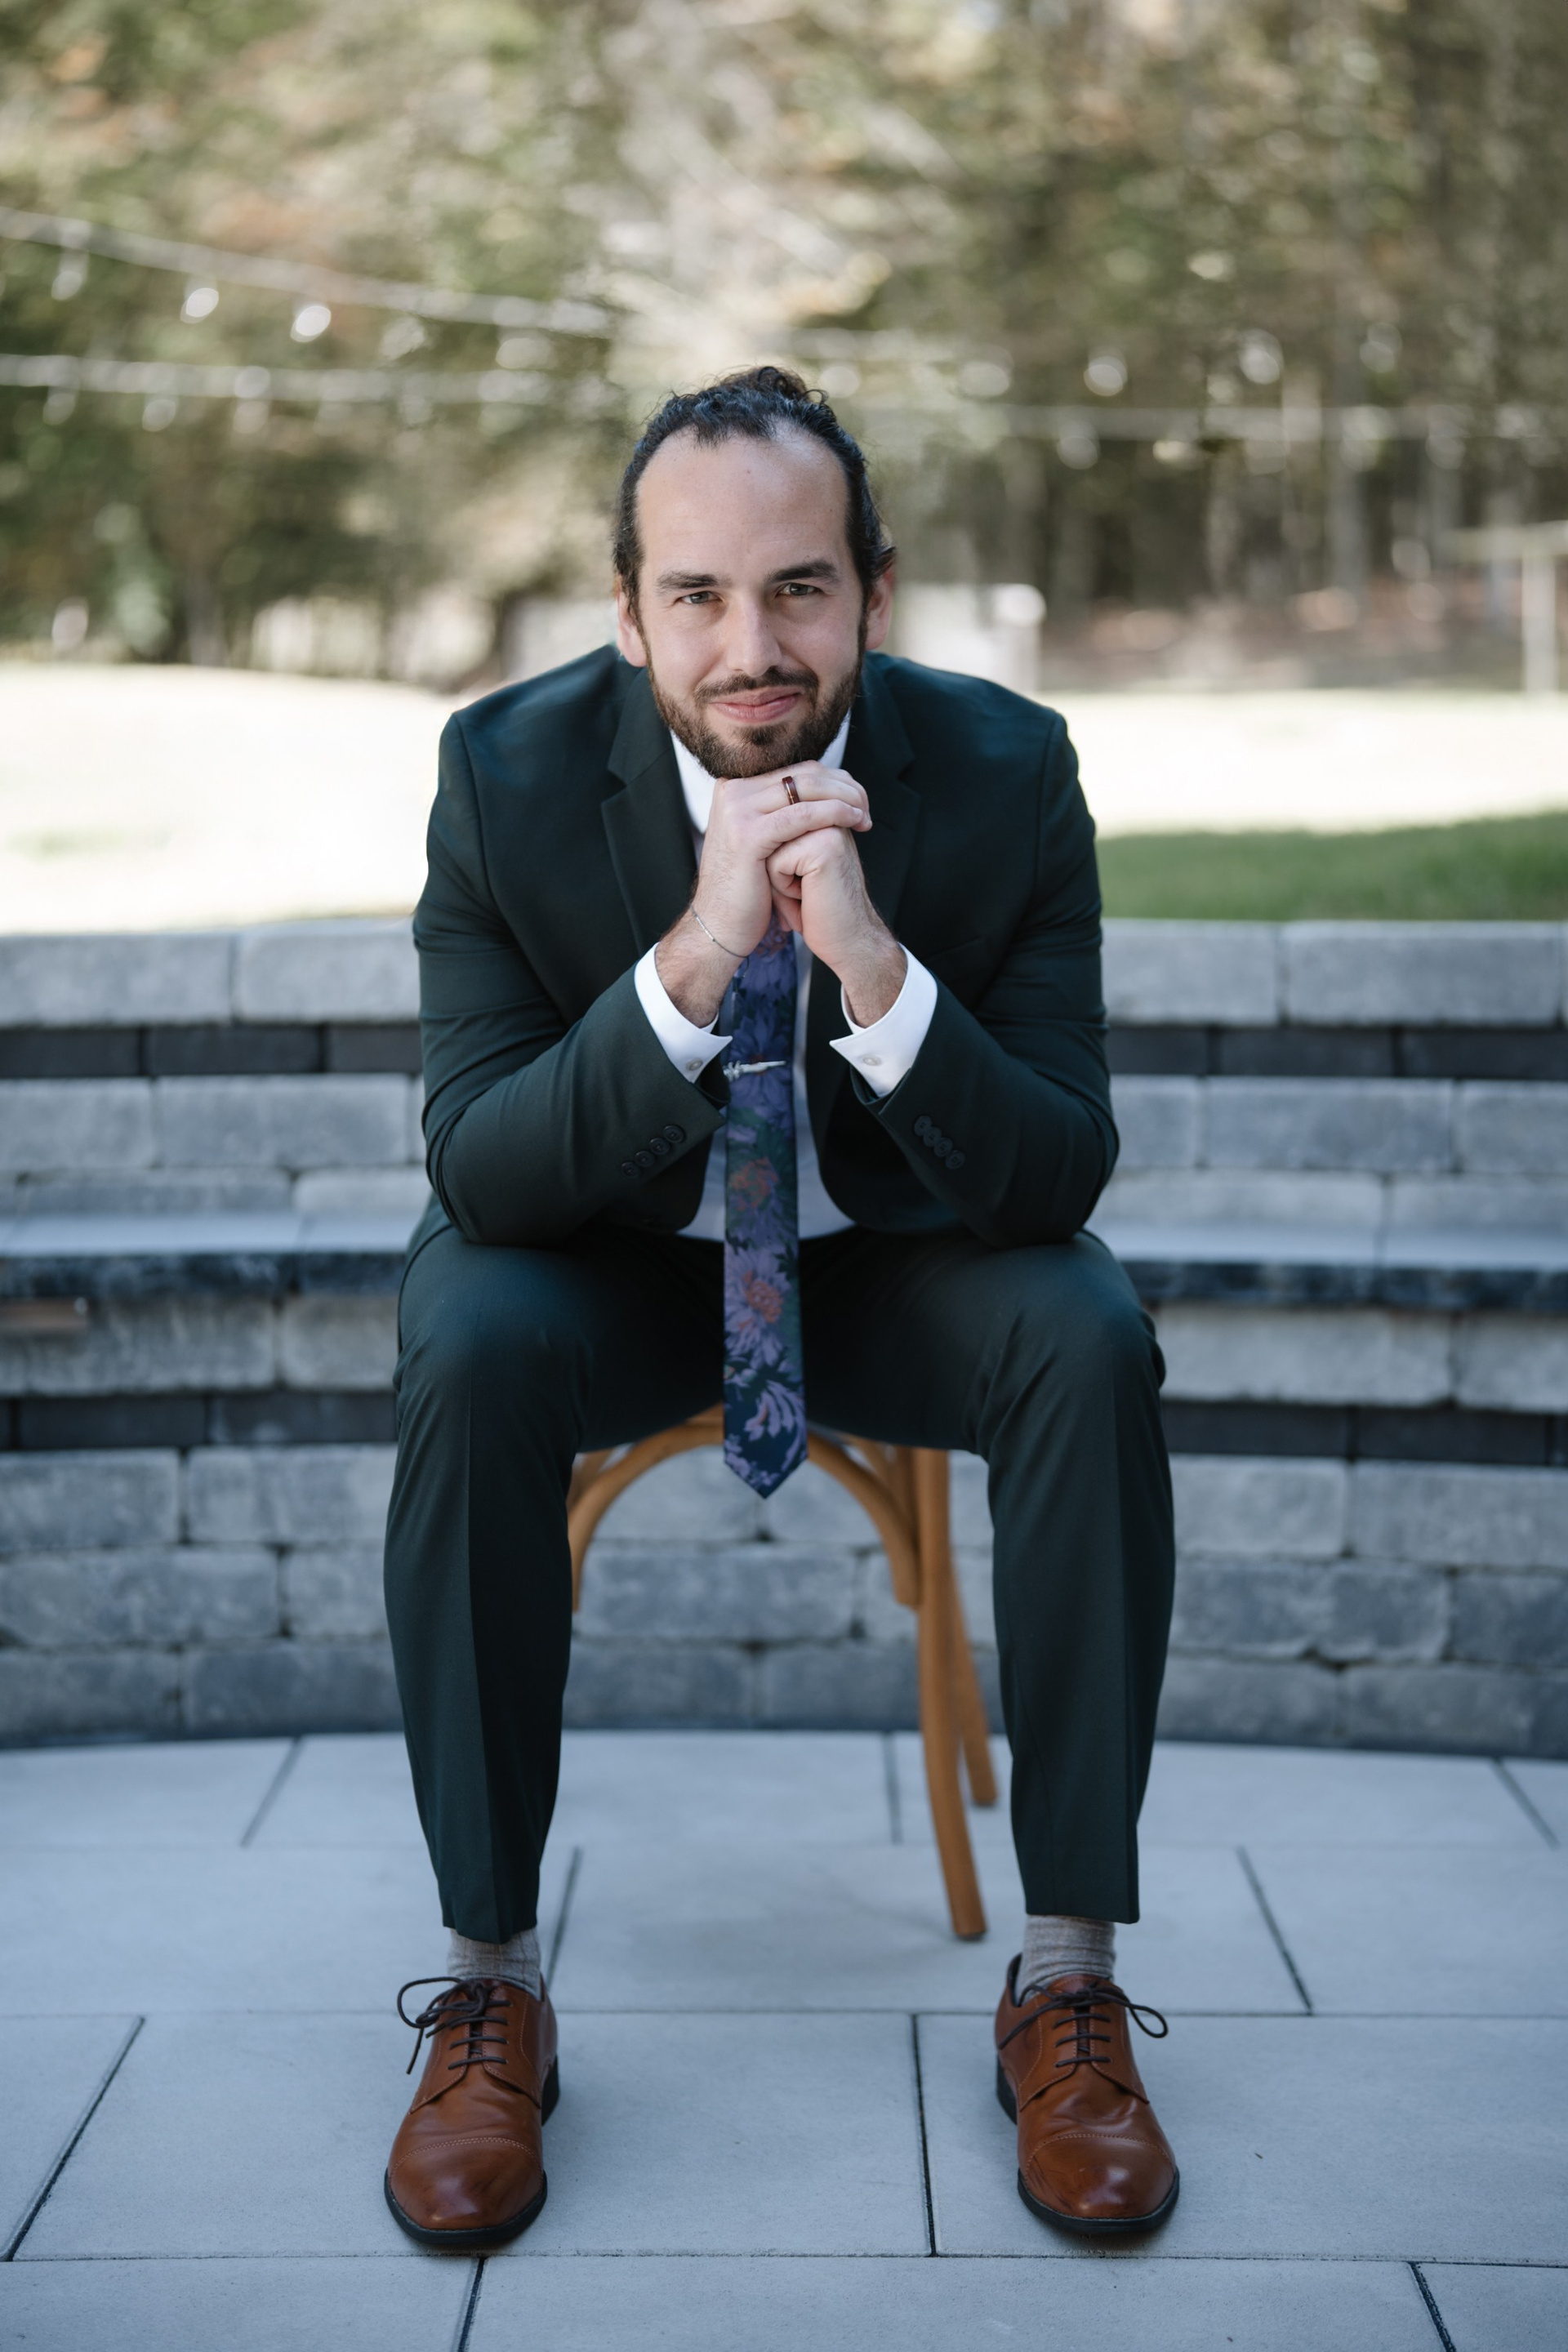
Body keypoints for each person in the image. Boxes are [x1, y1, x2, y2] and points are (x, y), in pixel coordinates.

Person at [381, 365, 1178, 2251]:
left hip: (892, 1272)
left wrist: (870, 961)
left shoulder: (1011, 768)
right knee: (468, 1338)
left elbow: (1055, 1169)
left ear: (875, 594)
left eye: (800, 588)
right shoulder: (501, 775)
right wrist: (702, 949)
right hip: (611, 1265)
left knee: (1086, 1333)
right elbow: (483, 1169)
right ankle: (487, 1988)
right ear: (628, 609)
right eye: (699, 596)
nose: (752, 647)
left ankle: (1069, 1981)